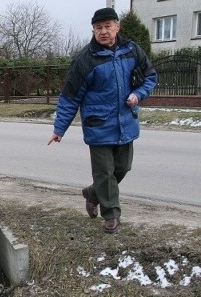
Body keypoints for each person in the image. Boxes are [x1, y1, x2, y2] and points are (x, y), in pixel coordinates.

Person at [48, 7, 157, 234]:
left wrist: (139, 94)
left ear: (117, 27)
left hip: (125, 122)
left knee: (123, 168)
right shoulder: (85, 60)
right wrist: (60, 128)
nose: (104, 31)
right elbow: (70, 97)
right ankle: (111, 215)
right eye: (99, 28)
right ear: (93, 30)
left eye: (108, 26)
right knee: (104, 173)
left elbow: (150, 77)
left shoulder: (132, 51)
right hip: (98, 126)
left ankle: (92, 193)